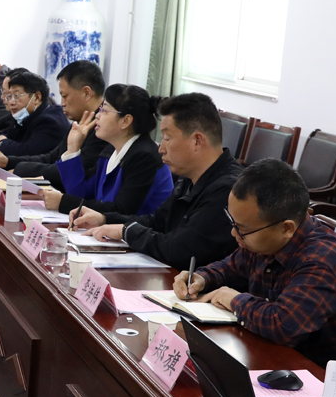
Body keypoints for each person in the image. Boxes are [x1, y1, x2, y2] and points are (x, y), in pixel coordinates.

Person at [175, 160, 336, 365]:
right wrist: (201, 278)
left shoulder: (321, 260)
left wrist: (234, 300)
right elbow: (230, 267)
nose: (233, 233)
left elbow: (283, 325)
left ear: (286, 228)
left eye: (242, 229)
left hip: (327, 375)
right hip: (282, 357)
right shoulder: (265, 239)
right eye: (232, 222)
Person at [73, 92, 243, 269]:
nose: (161, 148)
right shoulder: (189, 177)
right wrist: (104, 219)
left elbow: (181, 250)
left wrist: (126, 231)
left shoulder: (229, 189)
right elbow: (158, 222)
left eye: (167, 138)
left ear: (197, 141)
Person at [41, 81, 170, 216]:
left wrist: (63, 202)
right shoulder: (110, 152)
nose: (97, 115)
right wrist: (73, 149)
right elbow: (81, 193)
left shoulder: (144, 157)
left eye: (105, 110)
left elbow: (120, 211)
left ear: (125, 121)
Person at [0, 60, 112, 186]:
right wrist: (8, 161)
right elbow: (52, 157)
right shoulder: (80, 121)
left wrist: (20, 170)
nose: (62, 103)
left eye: (65, 96)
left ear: (86, 93)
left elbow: (70, 171)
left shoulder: (103, 129)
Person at [0, 69, 70, 160]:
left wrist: (0, 143)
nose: (11, 102)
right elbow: (8, 135)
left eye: (16, 96)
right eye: (9, 96)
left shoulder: (50, 122)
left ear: (37, 97)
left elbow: (27, 151)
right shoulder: (27, 115)